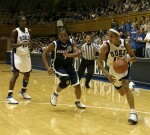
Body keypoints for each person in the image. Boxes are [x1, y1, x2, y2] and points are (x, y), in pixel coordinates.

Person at [97, 28, 138, 124]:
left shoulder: (125, 43)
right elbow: (99, 62)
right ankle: (131, 87)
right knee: (122, 93)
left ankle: (133, 113)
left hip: (124, 69)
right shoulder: (106, 46)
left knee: (125, 85)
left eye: (112, 36)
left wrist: (127, 60)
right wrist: (106, 74)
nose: (109, 38)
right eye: (108, 36)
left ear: (117, 36)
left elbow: (134, 58)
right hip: (112, 71)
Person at [42, 28, 86, 109]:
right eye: (61, 36)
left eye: (65, 35)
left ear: (67, 35)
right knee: (66, 80)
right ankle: (55, 94)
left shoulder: (71, 42)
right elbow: (44, 54)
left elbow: (78, 54)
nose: (63, 37)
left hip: (69, 66)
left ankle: (78, 101)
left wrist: (70, 55)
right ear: (58, 36)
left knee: (77, 85)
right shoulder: (54, 44)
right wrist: (47, 67)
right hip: (57, 66)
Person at [7, 15, 32, 104]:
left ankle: (23, 91)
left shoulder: (28, 31)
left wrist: (30, 44)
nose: (24, 23)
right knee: (16, 74)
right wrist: (21, 43)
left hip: (26, 54)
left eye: (25, 21)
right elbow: (11, 45)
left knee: (27, 74)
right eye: (22, 21)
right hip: (17, 54)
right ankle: (9, 96)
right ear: (18, 22)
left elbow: (30, 43)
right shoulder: (15, 31)